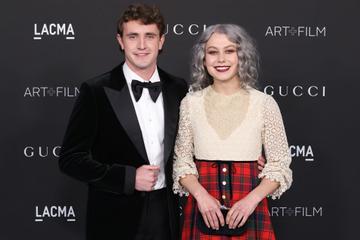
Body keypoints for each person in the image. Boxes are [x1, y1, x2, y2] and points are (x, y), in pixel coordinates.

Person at [58, 4, 188, 240]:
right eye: (133, 36)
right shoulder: (96, 91)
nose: (141, 45)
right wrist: (128, 178)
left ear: (161, 41)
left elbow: (191, 146)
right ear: (120, 41)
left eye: (149, 36)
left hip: (167, 215)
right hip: (113, 217)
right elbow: (70, 159)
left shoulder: (178, 88)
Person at [173, 24, 293, 239]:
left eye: (229, 51)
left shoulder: (264, 104)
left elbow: (279, 164)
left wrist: (251, 201)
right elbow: (182, 162)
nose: (221, 59)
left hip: (251, 208)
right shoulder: (190, 103)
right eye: (212, 52)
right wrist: (202, 196)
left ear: (242, 56)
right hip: (203, 209)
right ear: (203, 59)